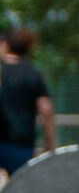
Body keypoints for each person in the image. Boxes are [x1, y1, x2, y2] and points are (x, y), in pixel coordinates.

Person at [0, 27, 56, 177]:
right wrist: (49, 143)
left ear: (6, 45)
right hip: (22, 144)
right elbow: (46, 109)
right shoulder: (33, 74)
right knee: (21, 185)